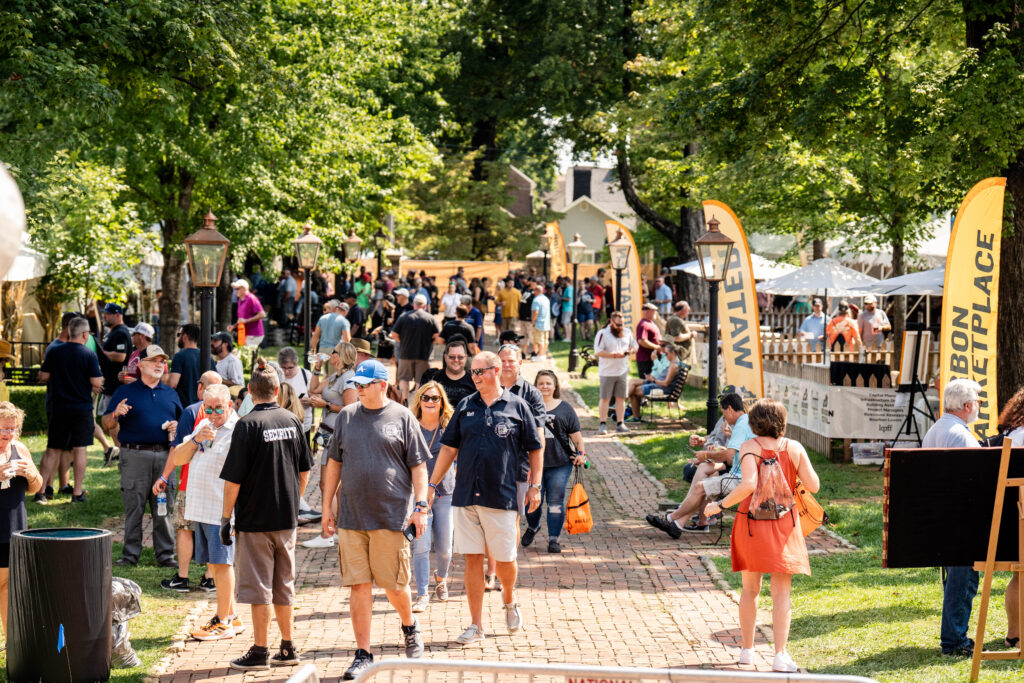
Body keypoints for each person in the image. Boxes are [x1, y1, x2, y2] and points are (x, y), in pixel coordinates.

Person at [318, 361, 429, 678]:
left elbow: (419, 466)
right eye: (357, 383)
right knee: (359, 586)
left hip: (391, 515)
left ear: (382, 384)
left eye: (365, 383)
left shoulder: (403, 416)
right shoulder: (346, 417)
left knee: (395, 586)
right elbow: (334, 464)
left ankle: (409, 625)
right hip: (352, 518)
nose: (359, 388)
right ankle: (363, 653)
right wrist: (327, 507)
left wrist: (420, 507)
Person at [427, 351, 543, 646]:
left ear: (495, 371)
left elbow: (535, 446)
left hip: (501, 495)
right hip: (466, 495)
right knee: (472, 559)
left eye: (480, 372)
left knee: (505, 560)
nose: (474, 377)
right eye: (472, 372)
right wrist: (432, 484)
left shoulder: (517, 406)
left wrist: (535, 485)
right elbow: (449, 449)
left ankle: (509, 599)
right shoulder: (465, 406)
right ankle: (476, 625)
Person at [702, 398, 820, 673]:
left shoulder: (749, 447)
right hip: (784, 525)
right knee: (781, 594)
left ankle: (747, 652)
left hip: (752, 524)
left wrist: (719, 505)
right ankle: (780, 655)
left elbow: (749, 485)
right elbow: (813, 484)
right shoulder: (794, 447)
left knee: (750, 590)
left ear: (754, 422)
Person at [219, 358, 312, 670]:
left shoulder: (246, 425)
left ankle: (260, 650)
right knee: (284, 584)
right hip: (286, 519)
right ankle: (288, 646)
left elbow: (233, 479)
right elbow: (304, 472)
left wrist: (225, 517)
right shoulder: (292, 420)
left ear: (250, 391)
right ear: (277, 389)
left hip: (255, 519)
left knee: (259, 587)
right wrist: (293, 501)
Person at [103, 345, 182, 567]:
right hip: (134, 457)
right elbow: (106, 423)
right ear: (141, 365)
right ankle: (129, 556)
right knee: (134, 508)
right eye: (154, 360)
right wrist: (116, 414)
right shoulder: (124, 392)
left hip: (165, 458)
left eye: (162, 361)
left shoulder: (171, 393)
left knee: (163, 507)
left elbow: (183, 426)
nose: (160, 365)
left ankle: (166, 556)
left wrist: (177, 426)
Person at [175, 384, 243, 641]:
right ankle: (233, 616)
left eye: (219, 408)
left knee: (222, 564)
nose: (214, 413)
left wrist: (233, 515)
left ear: (230, 405)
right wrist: (195, 439)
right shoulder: (202, 425)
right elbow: (180, 458)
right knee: (213, 564)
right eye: (209, 408)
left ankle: (222, 620)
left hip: (221, 510)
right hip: (199, 508)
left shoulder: (238, 430)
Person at [922, 378, 983, 657]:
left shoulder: (937, 429)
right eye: (978, 402)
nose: (979, 406)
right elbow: (980, 477)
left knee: (957, 582)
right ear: (967, 405)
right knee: (962, 582)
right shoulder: (960, 434)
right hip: (960, 520)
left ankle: (954, 637)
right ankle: (954, 641)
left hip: (943, 517)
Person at [647, 392, 754, 535]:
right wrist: (709, 456)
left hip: (739, 479)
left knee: (700, 487)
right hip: (740, 474)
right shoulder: (745, 421)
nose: (725, 419)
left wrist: (706, 455)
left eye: (724, 414)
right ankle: (678, 525)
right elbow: (731, 457)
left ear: (729, 408)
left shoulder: (740, 425)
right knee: (704, 484)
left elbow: (728, 455)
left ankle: (670, 518)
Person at [158, 370, 222, 594]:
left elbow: (177, 449)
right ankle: (210, 577)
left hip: (190, 482)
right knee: (212, 529)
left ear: (200, 388)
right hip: (218, 485)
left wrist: (164, 476)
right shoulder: (228, 414)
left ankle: (183, 577)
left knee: (185, 529)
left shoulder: (193, 411)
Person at [37, 316, 103, 503]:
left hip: (59, 407)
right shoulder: (88, 355)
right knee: (80, 449)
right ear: (84, 334)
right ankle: (77, 493)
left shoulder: (55, 352)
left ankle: (41, 492)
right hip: (81, 408)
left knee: (52, 449)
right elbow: (96, 382)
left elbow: (43, 375)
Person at [521, 370, 585, 553]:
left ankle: (553, 539)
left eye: (548, 383)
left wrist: (582, 453)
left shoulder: (565, 408)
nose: (545, 387)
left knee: (555, 501)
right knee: (532, 503)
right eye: (541, 383)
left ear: (555, 386)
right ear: (535, 386)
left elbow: (576, 436)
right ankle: (533, 527)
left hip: (559, 464)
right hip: (533, 464)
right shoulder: (528, 407)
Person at [408, 382, 457, 613]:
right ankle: (422, 594)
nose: (430, 402)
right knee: (421, 547)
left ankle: (441, 578)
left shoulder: (449, 426)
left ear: (441, 402)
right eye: (426, 397)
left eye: (435, 398)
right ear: (419, 400)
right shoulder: (410, 426)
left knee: (445, 548)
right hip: (418, 496)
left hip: (445, 493)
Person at [305, 342, 358, 548]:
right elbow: (313, 388)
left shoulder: (348, 379)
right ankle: (334, 529)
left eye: (334, 352)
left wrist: (324, 405)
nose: (330, 354)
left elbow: (350, 408)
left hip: (338, 437)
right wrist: (317, 368)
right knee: (329, 485)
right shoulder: (335, 376)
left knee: (330, 485)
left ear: (342, 356)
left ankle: (328, 533)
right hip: (327, 434)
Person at [0, 402, 43, 634]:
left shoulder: (20, 449)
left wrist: (30, 473)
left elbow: (37, 487)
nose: (9, 434)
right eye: (4, 429)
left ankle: (11, 644)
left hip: (14, 528)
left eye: (12, 429)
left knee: (9, 589)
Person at [390, 293, 442, 400]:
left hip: (405, 354)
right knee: (420, 381)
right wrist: (430, 341)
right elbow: (438, 336)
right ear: (425, 305)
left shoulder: (403, 317)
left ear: (414, 304)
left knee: (404, 379)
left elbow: (394, 334)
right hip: (424, 354)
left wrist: (403, 341)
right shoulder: (430, 318)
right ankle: (418, 403)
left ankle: (404, 401)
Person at [594, 311, 638, 435]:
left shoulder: (627, 332)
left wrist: (632, 350)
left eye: (622, 325)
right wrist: (613, 355)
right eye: (618, 325)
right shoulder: (603, 334)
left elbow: (635, 346)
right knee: (605, 398)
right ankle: (603, 424)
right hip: (607, 372)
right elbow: (598, 351)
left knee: (621, 398)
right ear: (611, 322)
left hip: (622, 371)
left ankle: (620, 423)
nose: (620, 327)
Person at [627, 342, 685, 420]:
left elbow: (666, 383)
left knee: (634, 391)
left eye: (666, 354)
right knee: (634, 385)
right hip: (659, 385)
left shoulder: (674, 365)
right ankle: (633, 414)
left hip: (662, 389)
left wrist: (653, 380)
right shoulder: (673, 363)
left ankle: (632, 414)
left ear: (673, 353)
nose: (665, 355)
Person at [420, 339, 476, 407]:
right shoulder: (431, 378)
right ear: (445, 357)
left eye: (460, 357)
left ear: (466, 358)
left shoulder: (475, 381)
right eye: (452, 357)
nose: (456, 360)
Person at [166, 324, 205, 406]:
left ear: (185, 336)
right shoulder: (207, 356)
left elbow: (172, 384)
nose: (178, 338)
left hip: (184, 406)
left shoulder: (179, 356)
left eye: (178, 335)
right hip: (203, 407)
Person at [229, 279, 267, 348]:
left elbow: (262, 314)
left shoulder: (251, 298)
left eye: (237, 289)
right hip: (245, 333)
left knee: (246, 355)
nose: (235, 291)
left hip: (254, 334)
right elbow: (241, 319)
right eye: (235, 289)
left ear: (244, 289)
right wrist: (233, 326)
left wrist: (246, 321)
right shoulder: (240, 299)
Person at [635, 303, 661, 377]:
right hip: (646, 359)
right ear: (647, 312)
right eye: (654, 311)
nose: (656, 313)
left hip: (652, 358)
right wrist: (657, 347)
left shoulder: (650, 323)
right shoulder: (643, 324)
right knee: (646, 382)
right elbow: (642, 341)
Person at [530, 283, 551, 360]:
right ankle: (543, 354)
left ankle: (540, 355)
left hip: (538, 323)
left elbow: (535, 312)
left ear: (536, 291)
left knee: (539, 340)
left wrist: (533, 321)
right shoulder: (546, 299)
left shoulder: (536, 300)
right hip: (546, 323)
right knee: (545, 340)